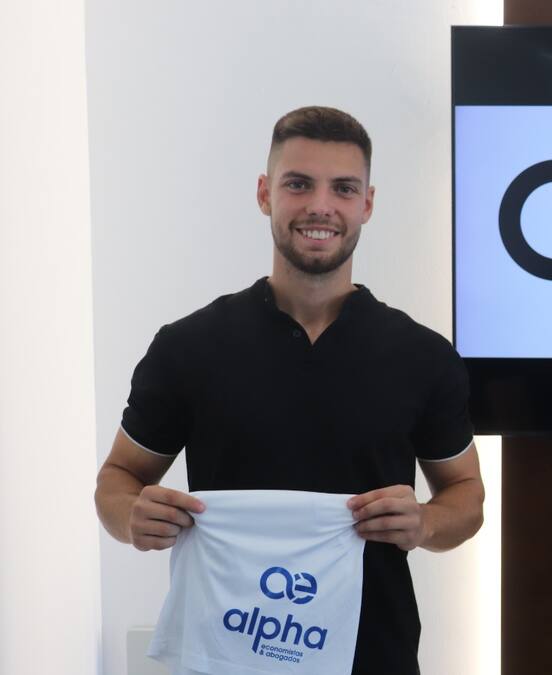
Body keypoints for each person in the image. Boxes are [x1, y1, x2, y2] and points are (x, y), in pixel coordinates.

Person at [94, 106, 484, 675]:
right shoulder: (188, 347)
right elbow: (117, 477)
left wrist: (425, 523)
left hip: (374, 658)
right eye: (298, 184)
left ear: (367, 204)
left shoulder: (423, 356)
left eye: (343, 188)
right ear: (265, 194)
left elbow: (466, 496)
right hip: (224, 658)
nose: (320, 206)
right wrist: (130, 515)